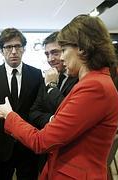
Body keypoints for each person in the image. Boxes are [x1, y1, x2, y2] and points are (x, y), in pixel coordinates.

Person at [0, 14, 118, 180]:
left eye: (64, 50)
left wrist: (9, 115)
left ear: (81, 48)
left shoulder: (94, 87)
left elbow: (41, 141)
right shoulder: (93, 82)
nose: (60, 57)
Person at [0, 27, 44, 180]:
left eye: (18, 46)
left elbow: (39, 109)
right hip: (0, 145)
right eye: (9, 47)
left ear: (24, 49)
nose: (14, 51)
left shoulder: (36, 74)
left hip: (28, 144)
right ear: (1, 51)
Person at [29, 32, 78, 173]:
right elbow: (34, 112)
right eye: (47, 54)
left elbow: (69, 112)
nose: (51, 59)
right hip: (46, 153)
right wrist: (53, 119)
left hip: (69, 157)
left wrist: (52, 86)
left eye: (55, 53)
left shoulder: (80, 78)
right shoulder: (48, 76)